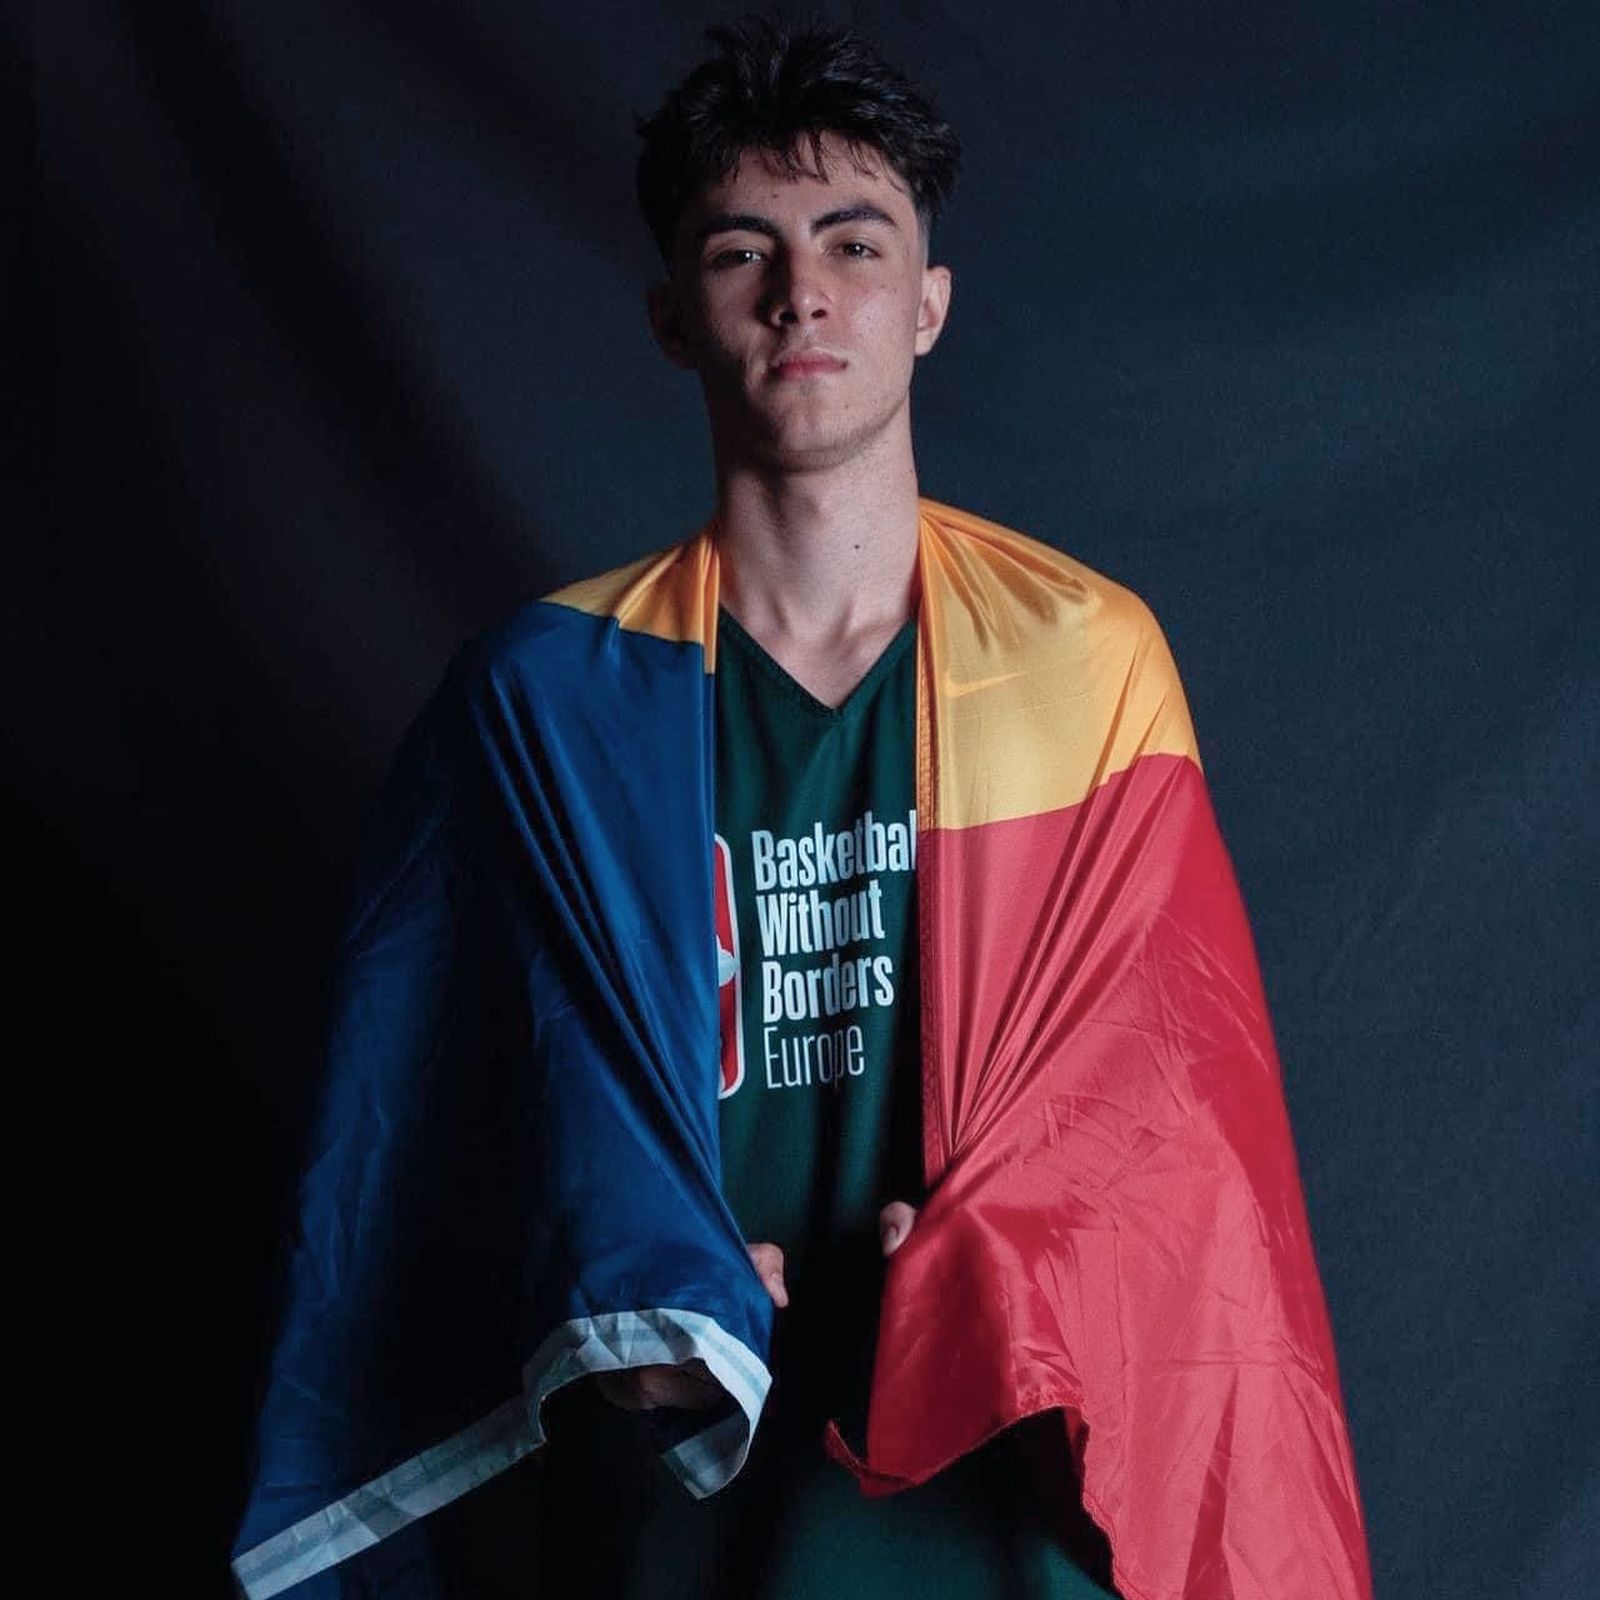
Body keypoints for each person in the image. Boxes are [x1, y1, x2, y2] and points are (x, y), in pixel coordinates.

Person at [231, 17, 1374, 1600]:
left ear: (929, 304)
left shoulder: (1085, 660)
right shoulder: (545, 699)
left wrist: (1013, 1252)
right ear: (672, 316)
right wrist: (603, 1295)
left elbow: (1184, 1135)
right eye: (740, 252)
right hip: (687, 1521)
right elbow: (422, 1159)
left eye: (854, 242)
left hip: (1007, 1521)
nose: (802, 293)